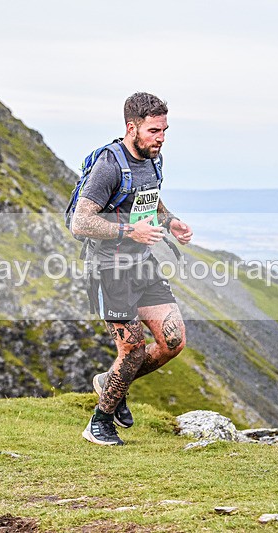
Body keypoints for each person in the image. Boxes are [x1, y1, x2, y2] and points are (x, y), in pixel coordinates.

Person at [71, 92, 193, 445]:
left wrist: (171, 222)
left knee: (173, 341)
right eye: (154, 130)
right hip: (109, 270)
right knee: (134, 350)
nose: (161, 138)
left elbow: (150, 200)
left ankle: (110, 381)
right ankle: (99, 423)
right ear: (131, 128)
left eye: (165, 130)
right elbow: (80, 223)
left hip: (143, 265)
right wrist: (129, 231)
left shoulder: (154, 160)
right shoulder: (108, 166)